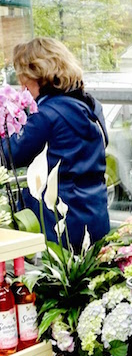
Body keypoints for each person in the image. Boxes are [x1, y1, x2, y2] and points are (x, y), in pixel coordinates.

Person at [3, 37, 110, 249]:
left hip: (61, 225)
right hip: (94, 216)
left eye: (23, 76)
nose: (22, 85)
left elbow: (9, 156)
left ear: (37, 74)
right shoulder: (88, 106)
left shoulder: (47, 114)